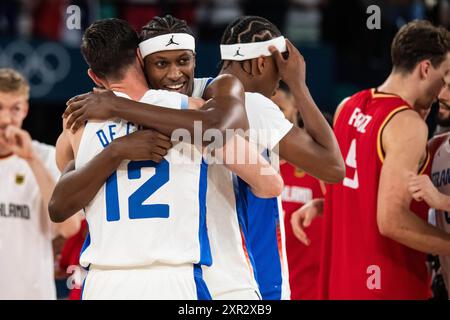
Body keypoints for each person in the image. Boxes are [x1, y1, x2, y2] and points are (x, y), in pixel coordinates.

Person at [63, 15, 345, 300]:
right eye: (162, 63)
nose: (175, 74)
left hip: (210, 275)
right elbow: (323, 169)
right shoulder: (221, 105)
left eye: (183, 61)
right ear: (141, 61)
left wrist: (116, 107)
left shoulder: (111, 113)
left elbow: (65, 188)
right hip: (202, 276)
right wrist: (298, 85)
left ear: (195, 59)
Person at [317, 20, 450, 300]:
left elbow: (337, 187)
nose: (444, 89)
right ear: (426, 68)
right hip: (386, 284)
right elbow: (392, 221)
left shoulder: (347, 106)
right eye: (445, 74)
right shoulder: (406, 124)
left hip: (340, 279)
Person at [0, 68, 79, 300]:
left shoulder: (46, 157)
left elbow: (70, 227)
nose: (6, 119)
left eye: (14, 108)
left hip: (33, 293)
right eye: (0, 108)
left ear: (25, 109)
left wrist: (31, 161)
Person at [272, 82, 327, 300]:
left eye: (279, 109)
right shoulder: (251, 161)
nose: (272, 118)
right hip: (267, 285)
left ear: (295, 105)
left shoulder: (318, 159)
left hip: (311, 287)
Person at [408, 73, 450, 298]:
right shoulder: (435, 148)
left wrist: (442, 201)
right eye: (443, 86)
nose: (441, 96)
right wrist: (326, 204)